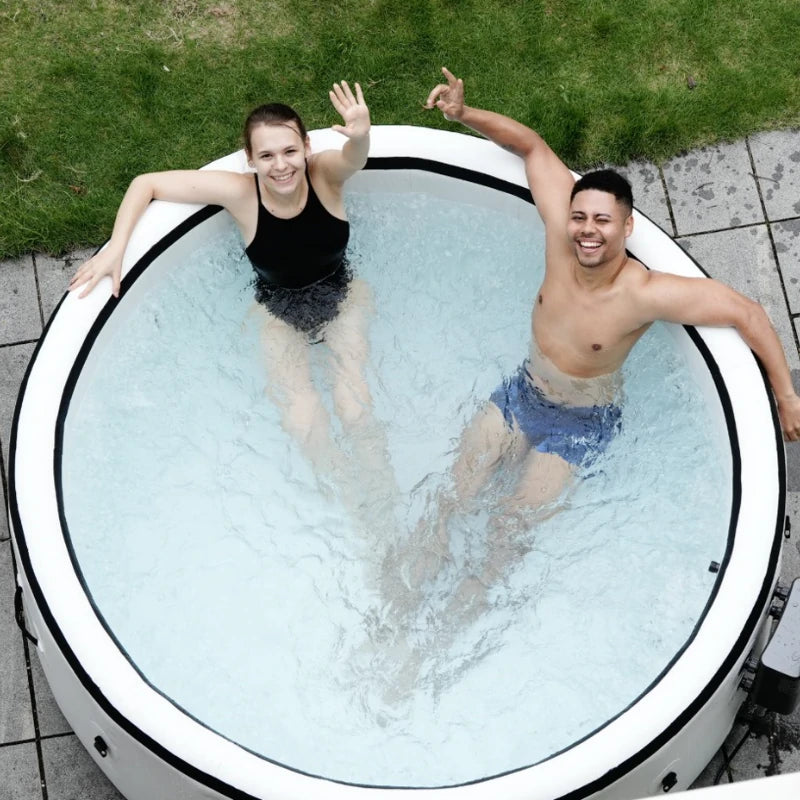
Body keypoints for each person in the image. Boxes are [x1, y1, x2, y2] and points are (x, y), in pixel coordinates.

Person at [383, 67, 800, 619]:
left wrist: (787, 395)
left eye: (602, 220)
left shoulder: (644, 294)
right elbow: (532, 146)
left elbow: (747, 313)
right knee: (451, 499)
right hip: (522, 393)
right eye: (580, 215)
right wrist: (463, 114)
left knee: (506, 535)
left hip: (579, 425)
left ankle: (446, 626)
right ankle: (393, 603)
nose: (586, 229)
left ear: (626, 228)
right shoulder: (562, 236)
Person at [70, 83, 393, 494]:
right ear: (250, 159)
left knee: (354, 409)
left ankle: (385, 498)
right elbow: (145, 183)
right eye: (267, 155)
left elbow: (354, 159)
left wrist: (361, 135)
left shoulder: (324, 176)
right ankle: (351, 502)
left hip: (342, 296)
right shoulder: (240, 193)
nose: (281, 166)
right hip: (279, 311)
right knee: (303, 419)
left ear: (307, 147)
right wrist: (117, 247)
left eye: (290, 151)